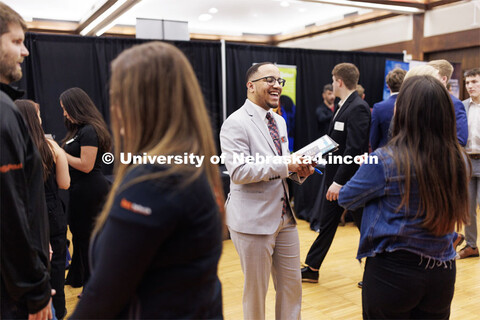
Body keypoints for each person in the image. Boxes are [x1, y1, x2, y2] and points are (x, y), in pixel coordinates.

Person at [71, 41, 224, 318]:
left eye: (117, 96)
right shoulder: (186, 166)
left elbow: (102, 297)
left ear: (135, 104)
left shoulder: (156, 180)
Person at [338, 75, 470, 319]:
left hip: (393, 271)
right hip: (442, 271)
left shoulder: (384, 159)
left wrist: (367, 171)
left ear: (405, 110)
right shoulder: (458, 158)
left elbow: (346, 198)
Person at [220, 62, 314, 319]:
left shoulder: (280, 121)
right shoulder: (235, 123)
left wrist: (298, 171)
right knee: (256, 293)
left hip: (285, 219)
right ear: (250, 86)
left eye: (279, 81)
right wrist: (287, 164)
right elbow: (239, 172)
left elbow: (279, 167)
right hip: (253, 221)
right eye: (269, 79)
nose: (277, 85)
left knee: (292, 288)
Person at [0, 2, 53, 318]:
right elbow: (10, 212)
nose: (25, 52)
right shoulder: (4, 113)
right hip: (12, 291)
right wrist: (35, 289)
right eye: (16, 42)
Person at [301, 63, 370, 283]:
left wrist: (339, 182)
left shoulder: (358, 107)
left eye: (333, 80)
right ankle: (312, 268)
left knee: (365, 227)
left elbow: (354, 149)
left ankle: (375, 272)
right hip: (335, 178)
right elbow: (334, 142)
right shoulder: (342, 105)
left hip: (348, 182)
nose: (332, 84)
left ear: (339, 81)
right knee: (327, 224)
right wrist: (312, 155)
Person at [15, 99, 71, 319]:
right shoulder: (52, 147)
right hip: (52, 210)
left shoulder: (13, 148)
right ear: (33, 118)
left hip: (26, 213)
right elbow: (64, 183)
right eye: (38, 114)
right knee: (57, 265)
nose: (40, 118)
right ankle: (58, 311)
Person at [60, 87, 111, 290]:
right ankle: (79, 276)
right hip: (79, 190)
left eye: (65, 108)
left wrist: (61, 154)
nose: (64, 113)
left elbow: (86, 165)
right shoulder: (79, 130)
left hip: (91, 190)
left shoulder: (90, 130)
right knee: (79, 233)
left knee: (89, 237)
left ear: (76, 107)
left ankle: (94, 284)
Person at [458, 68, 480, 259]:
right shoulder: (462, 106)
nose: (470, 86)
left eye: (474, 81)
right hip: (467, 161)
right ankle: (471, 246)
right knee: (468, 207)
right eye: (467, 83)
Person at [428, 59, 468, 147]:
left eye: (431, 76)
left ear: (443, 79)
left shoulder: (454, 104)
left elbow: (461, 139)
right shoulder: (424, 99)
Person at [370, 67, 406, 150]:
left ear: (388, 86)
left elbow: (373, 139)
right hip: (407, 155)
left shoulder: (378, 108)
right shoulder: (412, 105)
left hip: (384, 154)